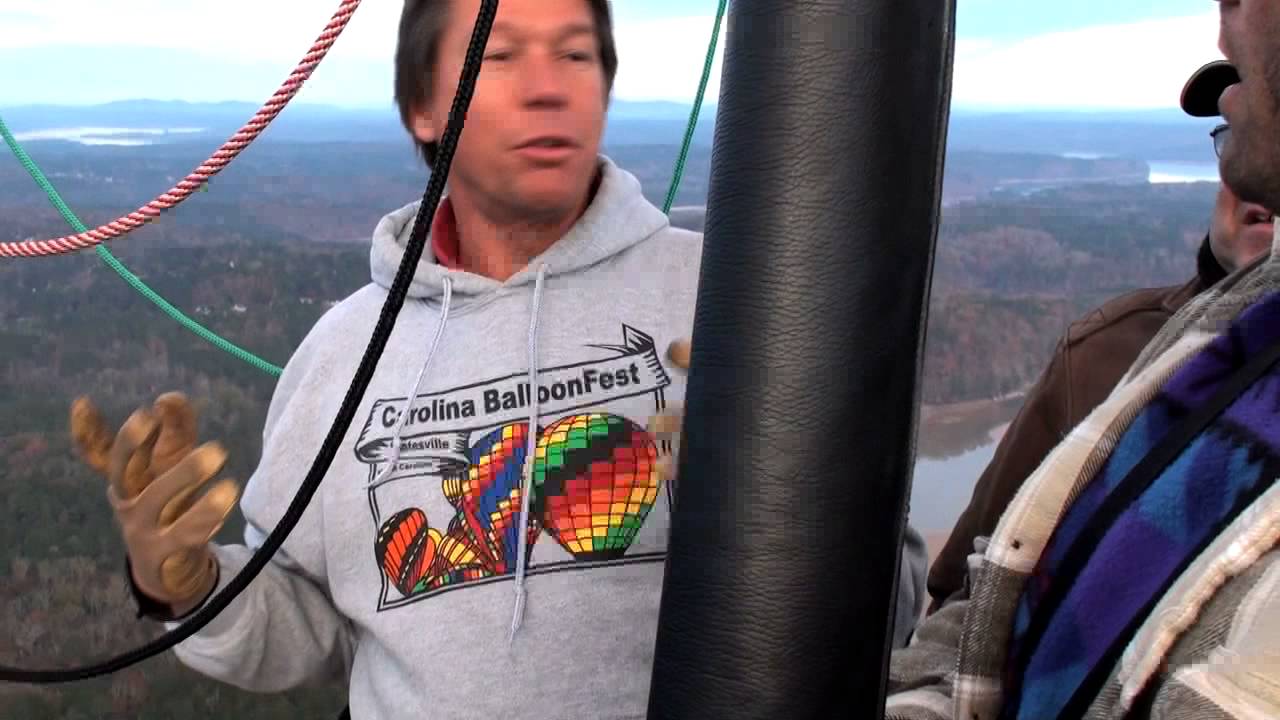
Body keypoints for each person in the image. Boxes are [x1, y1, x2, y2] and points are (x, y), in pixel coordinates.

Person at [67, 1, 928, 717]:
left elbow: (893, 610)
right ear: (424, 110)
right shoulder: (340, 355)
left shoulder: (735, 299)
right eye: (502, 55)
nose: (548, 88)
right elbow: (306, 628)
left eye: (576, 55)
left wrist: (785, 501)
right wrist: (183, 586)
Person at [884, 39, 1280, 720]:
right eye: (1229, 134)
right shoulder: (1112, 352)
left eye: (1252, 113)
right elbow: (973, 604)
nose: (1252, 196)